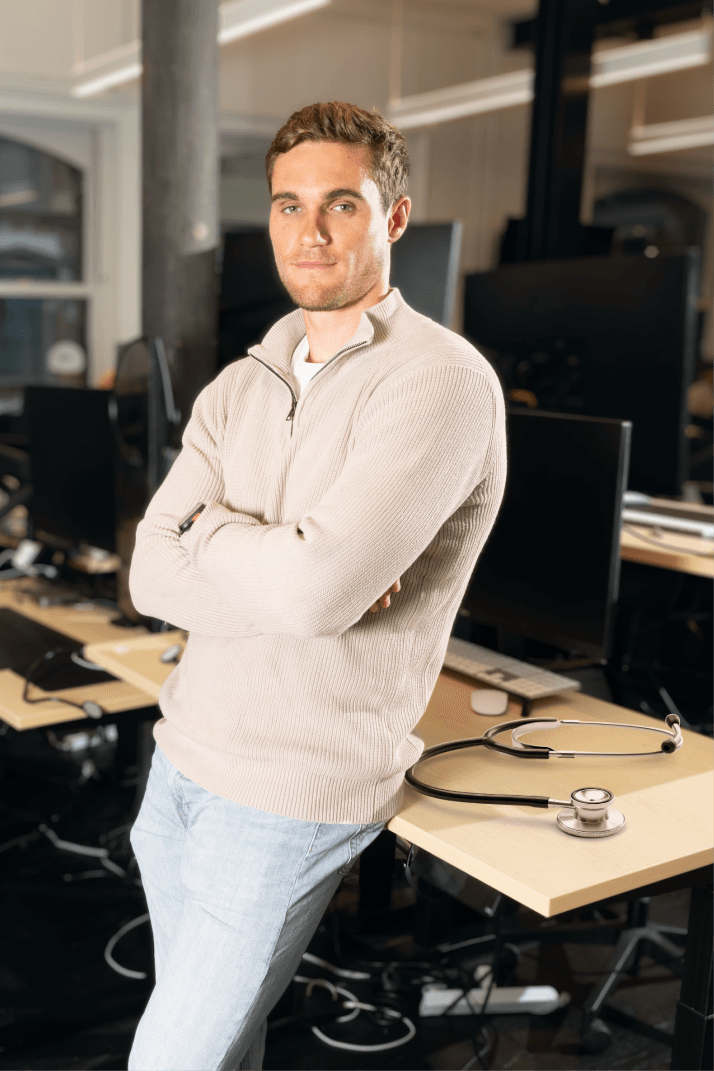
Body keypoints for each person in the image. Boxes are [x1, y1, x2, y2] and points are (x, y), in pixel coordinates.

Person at [127, 100, 506, 1071]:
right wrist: (284, 556)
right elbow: (149, 571)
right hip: (182, 758)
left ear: (395, 216)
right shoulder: (240, 383)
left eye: (342, 203)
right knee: (221, 1048)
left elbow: (311, 597)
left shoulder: (439, 382)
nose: (311, 230)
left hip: (289, 793)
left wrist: (218, 536)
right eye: (289, 205)